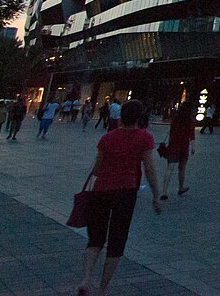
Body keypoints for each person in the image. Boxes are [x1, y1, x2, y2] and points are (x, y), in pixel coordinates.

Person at [77, 100, 162, 296]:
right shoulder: (144, 138)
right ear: (139, 117)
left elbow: (96, 170)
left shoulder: (107, 138)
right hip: (125, 192)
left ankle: (86, 279)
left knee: (95, 238)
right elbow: (149, 169)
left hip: (101, 191)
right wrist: (155, 196)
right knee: (117, 240)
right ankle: (102, 290)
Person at [160, 101, 196, 200]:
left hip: (173, 145)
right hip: (184, 147)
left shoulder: (175, 119)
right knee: (182, 168)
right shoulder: (190, 121)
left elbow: (171, 132)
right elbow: (191, 135)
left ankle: (164, 191)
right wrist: (193, 147)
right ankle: (180, 187)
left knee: (169, 168)